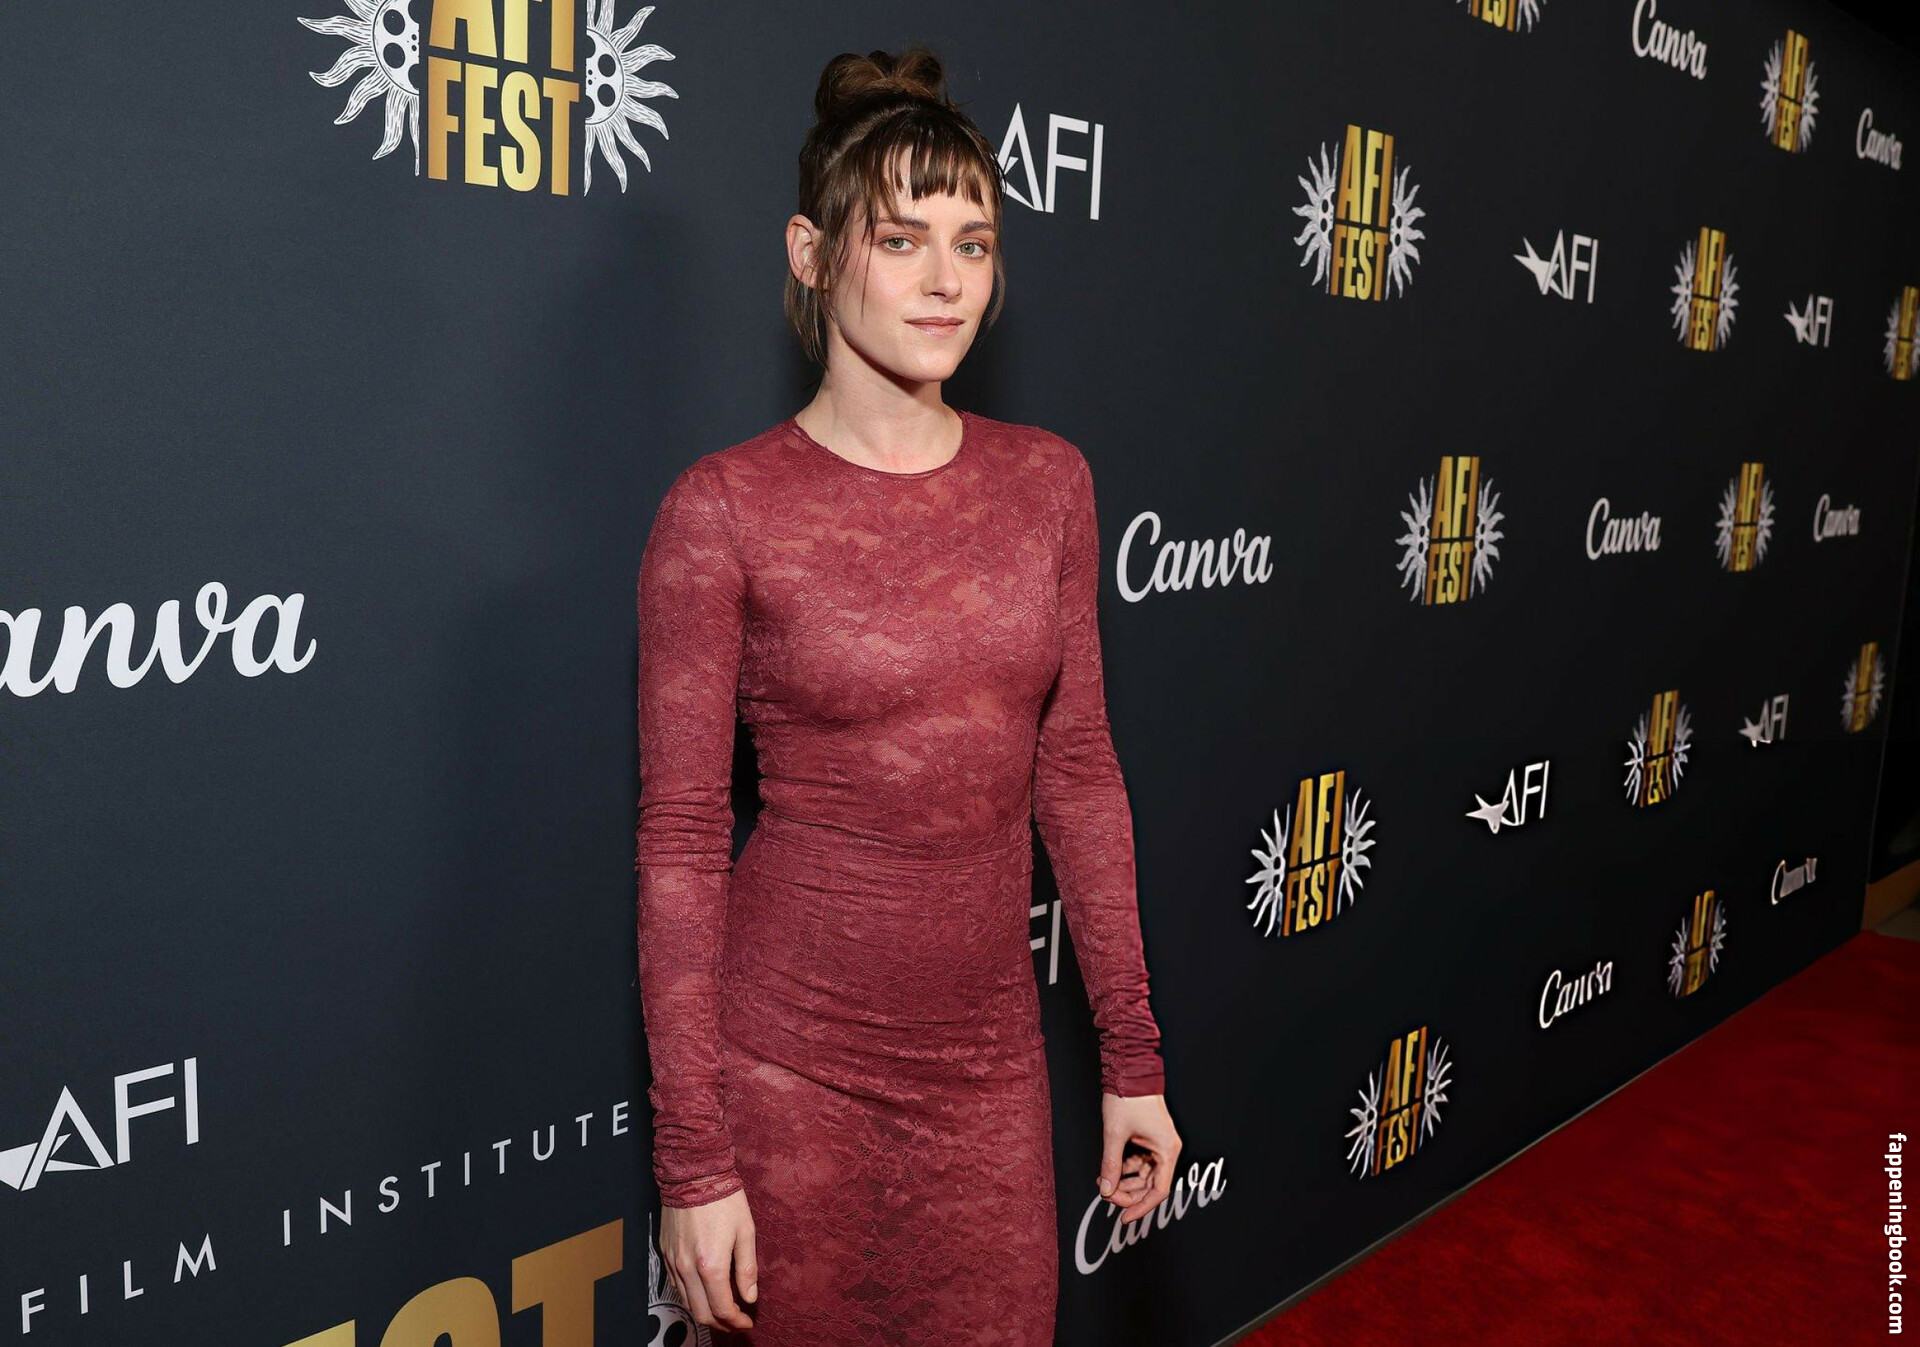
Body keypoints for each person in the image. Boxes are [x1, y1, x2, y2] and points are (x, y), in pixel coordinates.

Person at [635, 43, 1180, 1344]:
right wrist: (694, 1159)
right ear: (812, 253)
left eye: (973, 244)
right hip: (788, 1076)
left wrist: (1133, 1057)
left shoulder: (1049, 483)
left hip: (991, 1077)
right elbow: (682, 844)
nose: (947, 280)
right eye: (900, 240)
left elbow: (1078, 774)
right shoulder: (722, 511)